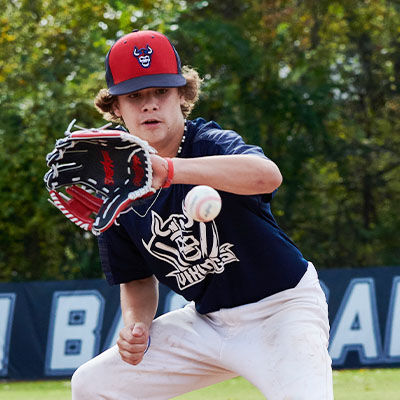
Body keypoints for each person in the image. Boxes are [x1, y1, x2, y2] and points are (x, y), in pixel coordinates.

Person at [71, 29, 333, 400]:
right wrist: (136, 325)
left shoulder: (207, 142)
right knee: (93, 385)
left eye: (161, 91)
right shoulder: (116, 187)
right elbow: (136, 278)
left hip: (282, 311)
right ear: (115, 108)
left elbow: (267, 175)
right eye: (135, 96)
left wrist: (171, 170)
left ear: (183, 96)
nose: (150, 105)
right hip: (207, 324)